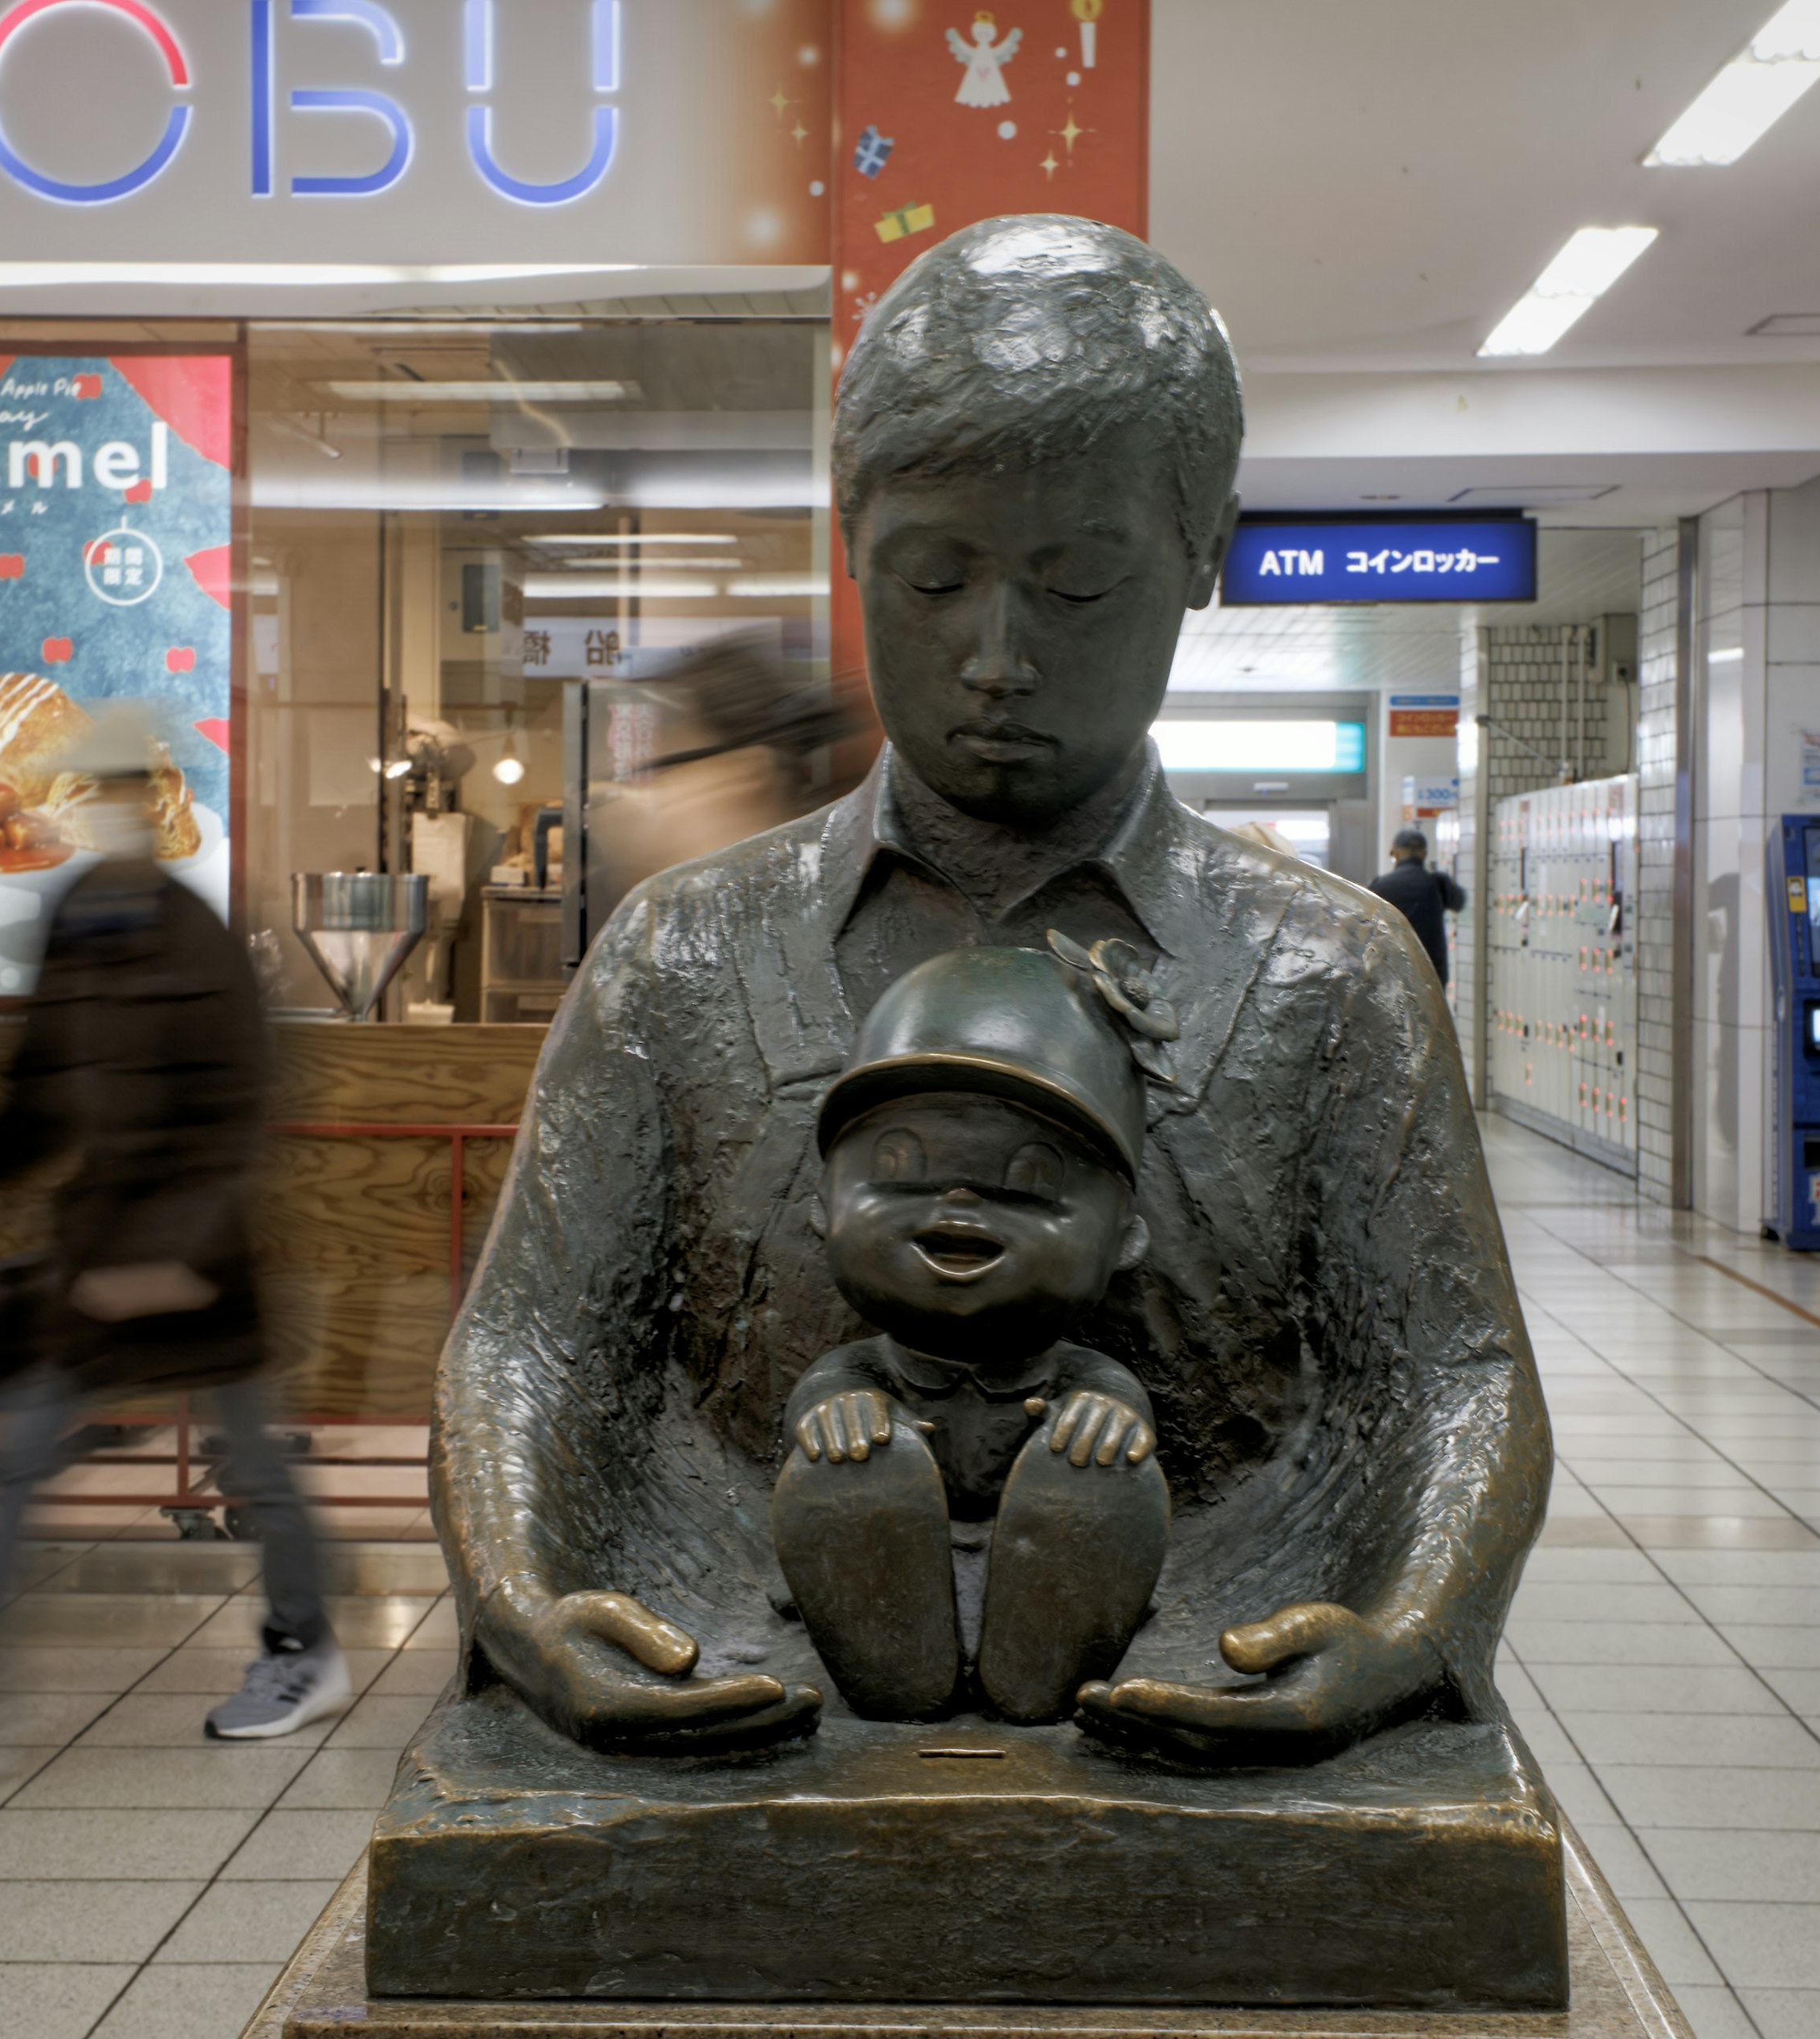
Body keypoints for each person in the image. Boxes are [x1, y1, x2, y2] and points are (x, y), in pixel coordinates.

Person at [433, 216, 1547, 1767]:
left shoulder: (1333, 969)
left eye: (1080, 586)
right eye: (935, 577)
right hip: (736, 1634)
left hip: (1216, 1629)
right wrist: (519, 1591)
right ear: (851, 534)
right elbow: (533, 1343)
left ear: (1203, 557)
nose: (997, 656)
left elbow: (1452, 1371)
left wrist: (1418, 1624)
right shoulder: (681, 951)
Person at [0, 713, 339, 1798]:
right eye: (84, 791)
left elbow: (240, 1110)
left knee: (252, 1464)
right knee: (12, 1463)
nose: (98, 810)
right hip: (92, 1266)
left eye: (118, 792)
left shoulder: (197, 936)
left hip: (196, 1275)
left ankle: (305, 1647)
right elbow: (34, 1080)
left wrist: (168, 1253)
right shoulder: (76, 921)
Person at [775, 943, 1167, 1725]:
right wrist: (836, 1416)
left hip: (1037, 1542)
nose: (956, 1203)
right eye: (898, 1167)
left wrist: (1110, 1421)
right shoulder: (862, 1370)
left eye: (1029, 1181)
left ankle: (1049, 1661)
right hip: (894, 1543)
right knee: (849, 1463)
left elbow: (1118, 1407)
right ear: (823, 1205)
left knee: (1102, 1470)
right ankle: (888, 1657)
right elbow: (824, 1399)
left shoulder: (1078, 1374)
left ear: (1126, 1236)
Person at [1369, 828, 1465, 986]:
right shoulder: (1438, 884)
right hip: (1431, 974)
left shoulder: (1380, 886)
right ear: (1424, 855)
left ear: (1396, 854)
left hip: (1393, 972)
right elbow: (1460, 902)